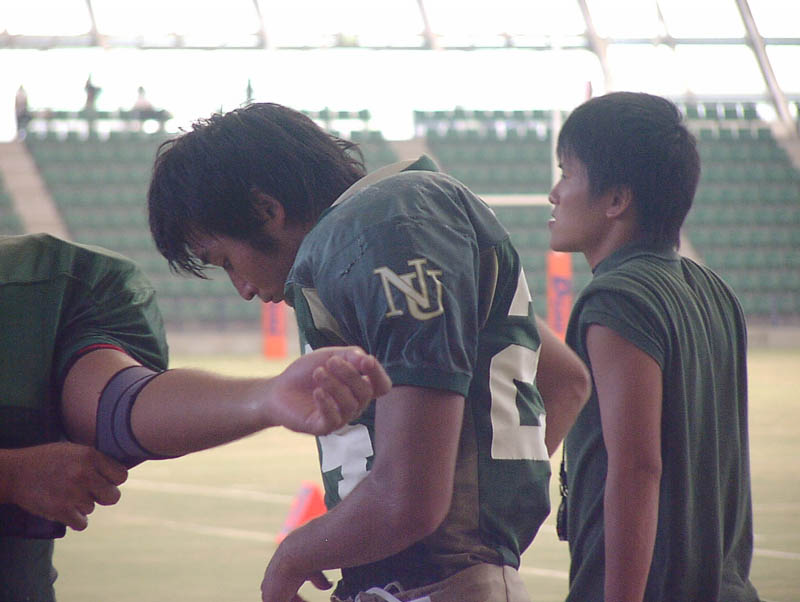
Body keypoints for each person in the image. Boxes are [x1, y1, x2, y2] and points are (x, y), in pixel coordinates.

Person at [146, 102, 591, 602]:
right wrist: (478, 493)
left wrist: (294, 557)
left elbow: (408, 500)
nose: (243, 289)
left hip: (434, 584)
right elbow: (565, 381)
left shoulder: (385, 228)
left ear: (266, 210)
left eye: (226, 260)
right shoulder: (382, 228)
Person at [0, 232, 392, 602]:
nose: (245, 291)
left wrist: (265, 398)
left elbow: (114, 405)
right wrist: (11, 474)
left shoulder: (37, 279)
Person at [548, 92, 759, 601]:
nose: (554, 193)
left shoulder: (618, 298)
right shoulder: (716, 292)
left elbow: (637, 468)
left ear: (616, 200)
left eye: (567, 174)